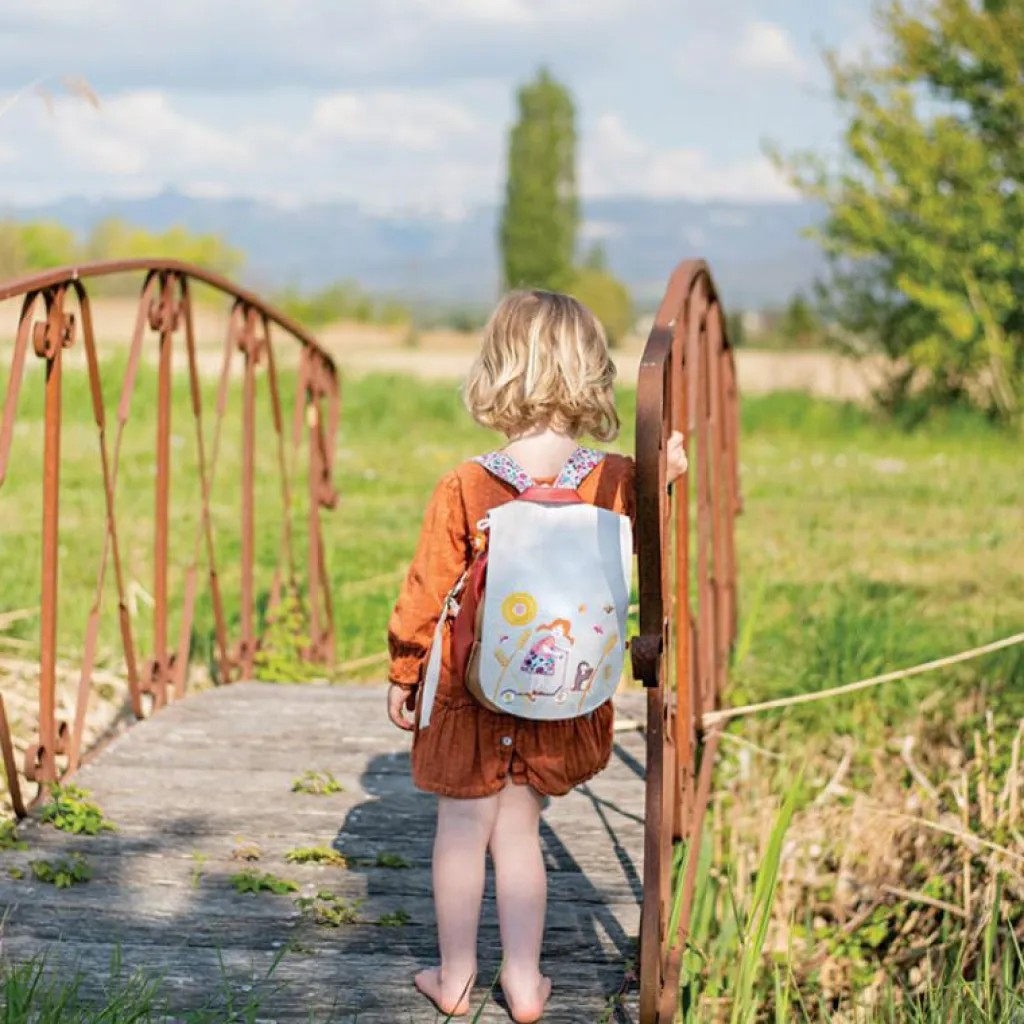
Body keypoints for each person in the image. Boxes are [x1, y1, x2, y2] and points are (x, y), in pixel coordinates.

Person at [386, 289, 687, 1022]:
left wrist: (404, 671)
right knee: (520, 830)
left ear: (498, 369)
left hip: (471, 688)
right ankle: (524, 982)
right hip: (560, 687)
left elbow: (427, 590)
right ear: (590, 373)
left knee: (461, 829)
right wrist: (665, 480)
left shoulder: (466, 483)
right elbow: (643, 554)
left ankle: (455, 978)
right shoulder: (615, 479)